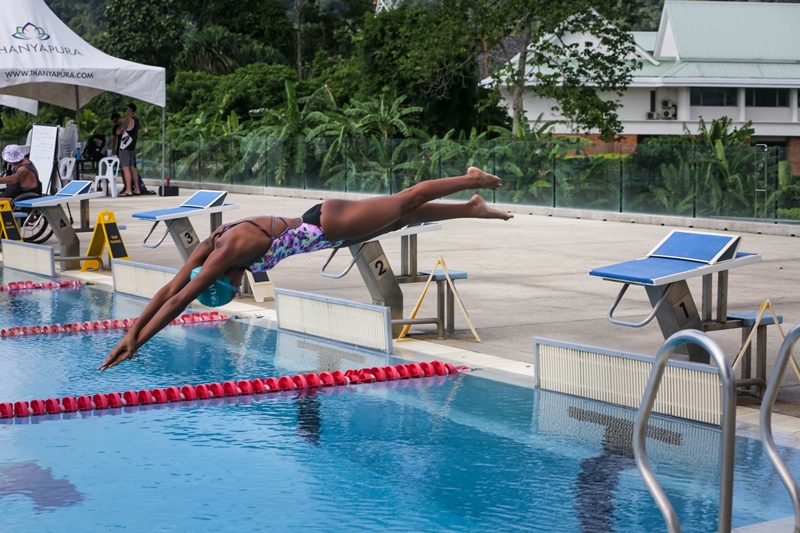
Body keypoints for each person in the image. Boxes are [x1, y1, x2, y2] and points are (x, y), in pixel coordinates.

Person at [99, 167, 513, 370]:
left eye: (231, 285)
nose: (239, 282)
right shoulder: (209, 248)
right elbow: (169, 290)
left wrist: (141, 342)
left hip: (328, 222)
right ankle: (471, 209)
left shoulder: (227, 252)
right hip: (330, 235)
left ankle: (467, 179)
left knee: (404, 202)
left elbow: (181, 301)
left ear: (223, 276)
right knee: (403, 218)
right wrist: (131, 333)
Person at [117, 103, 140, 196]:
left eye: (127, 110)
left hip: (125, 147)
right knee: (132, 168)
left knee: (125, 168)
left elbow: (118, 131)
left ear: (130, 111)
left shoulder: (128, 120)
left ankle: (128, 189)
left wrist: (121, 123)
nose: (125, 111)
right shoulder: (137, 120)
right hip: (132, 147)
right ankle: (137, 189)